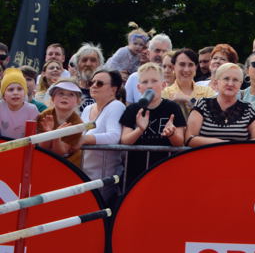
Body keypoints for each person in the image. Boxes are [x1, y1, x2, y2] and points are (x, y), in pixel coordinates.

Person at [120, 62, 186, 193]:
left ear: (163, 85)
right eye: (145, 82)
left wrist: (171, 134)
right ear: (139, 87)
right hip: (136, 173)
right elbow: (125, 141)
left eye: (154, 81)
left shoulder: (173, 108)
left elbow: (180, 142)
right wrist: (139, 130)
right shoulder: (132, 110)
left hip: (165, 171)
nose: (149, 85)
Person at [186, 63, 255, 145]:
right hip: (208, 153)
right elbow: (189, 138)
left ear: (240, 84)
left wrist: (237, 148)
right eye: (226, 79)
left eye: (235, 80)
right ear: (217, 82)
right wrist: (221, 144)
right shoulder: (202, 104)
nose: (230, 84)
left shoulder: (248, 108)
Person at [79, 69, 125, 204]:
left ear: (113, 90)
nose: (93, 86)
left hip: (104, 180)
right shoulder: (87, 109)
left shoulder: (116, 106)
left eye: (99, 83)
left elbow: (114, 136)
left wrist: (84, 140)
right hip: (83, 175)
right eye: (91, 82)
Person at [38, 79, 85, 166]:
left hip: (69, 165)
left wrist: (56, 136)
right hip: (44, 161)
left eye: (71, 94)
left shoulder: (78, 124)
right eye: (61, 93)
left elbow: (60, 153)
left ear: (78, 101)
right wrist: (48, 133)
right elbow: (42, 148)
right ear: (53, 98)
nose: (65, 97)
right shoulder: (44, 116)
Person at [162, 48, 215, 122]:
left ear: (196, 67)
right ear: (174, 67)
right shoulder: (165, 93)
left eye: (190, 65)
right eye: (182, 64)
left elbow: (213, 115)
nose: (186, 69)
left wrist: (189, 99)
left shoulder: (207, 91)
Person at [125, 34, 173, 104]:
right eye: (157, 51)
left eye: (164, 51)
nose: (160, 54)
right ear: (148, 53)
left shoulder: (174, 78)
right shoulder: (134, 78)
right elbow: (127, 104)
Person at [0, 68, 39, 139]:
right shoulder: (1, 106)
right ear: (3, 95)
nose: (15, 93)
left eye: (19, 89)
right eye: (11, 89)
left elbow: (32, 137)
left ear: (25, 93)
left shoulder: (32, 110)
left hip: (23, 144)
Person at [73, 43, 104, 111]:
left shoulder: (106, 89)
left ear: (99, 64)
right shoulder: (70, 88)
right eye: (84, 60)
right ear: (77, 64)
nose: (88, 64)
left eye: (93, 60)